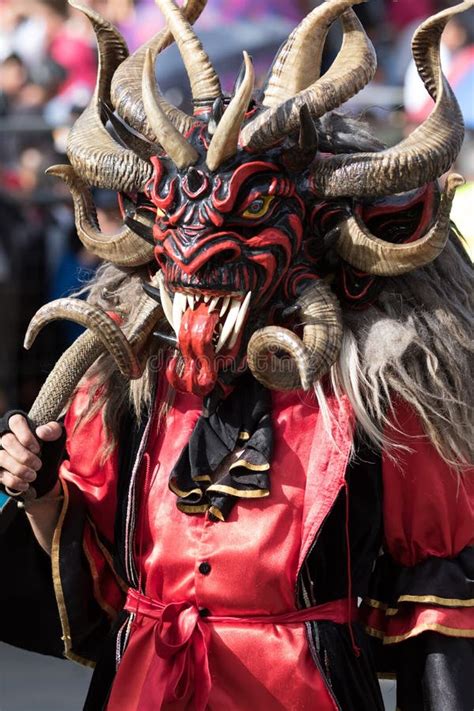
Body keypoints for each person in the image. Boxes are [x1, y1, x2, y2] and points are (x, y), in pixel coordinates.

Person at [0, 1, 472, 710]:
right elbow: (95, 573)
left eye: (247, 209)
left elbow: (440, 613)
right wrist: (38, 491)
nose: (195, 255)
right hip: (145, 688)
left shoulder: (375, 394)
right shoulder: (134, 384)